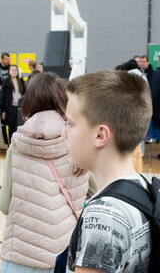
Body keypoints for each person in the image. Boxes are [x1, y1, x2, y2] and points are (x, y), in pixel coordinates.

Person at [0, 72, 89, 273]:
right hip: (65, 253)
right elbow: (96, 192)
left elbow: (5, 205)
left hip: (20, 254)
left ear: (30, 98)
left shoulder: (17, 144)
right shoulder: (77, 141)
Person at [64, 70, 152, 272]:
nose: (63, 132)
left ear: (100, 135)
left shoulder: (103, 216)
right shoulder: (142, 187)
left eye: (70, 123)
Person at [0, 64, 26, 142]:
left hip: (20, 108)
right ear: (9, 72)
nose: (14, 71)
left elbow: (24, 94)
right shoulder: (6, 82)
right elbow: (2, 98)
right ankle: (11, 145)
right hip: (10, 108)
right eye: (12, 70)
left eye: (16, 70)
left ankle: (18, 143)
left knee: (19, 127)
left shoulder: (21, 81)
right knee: (11, 128)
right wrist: (3, 110)